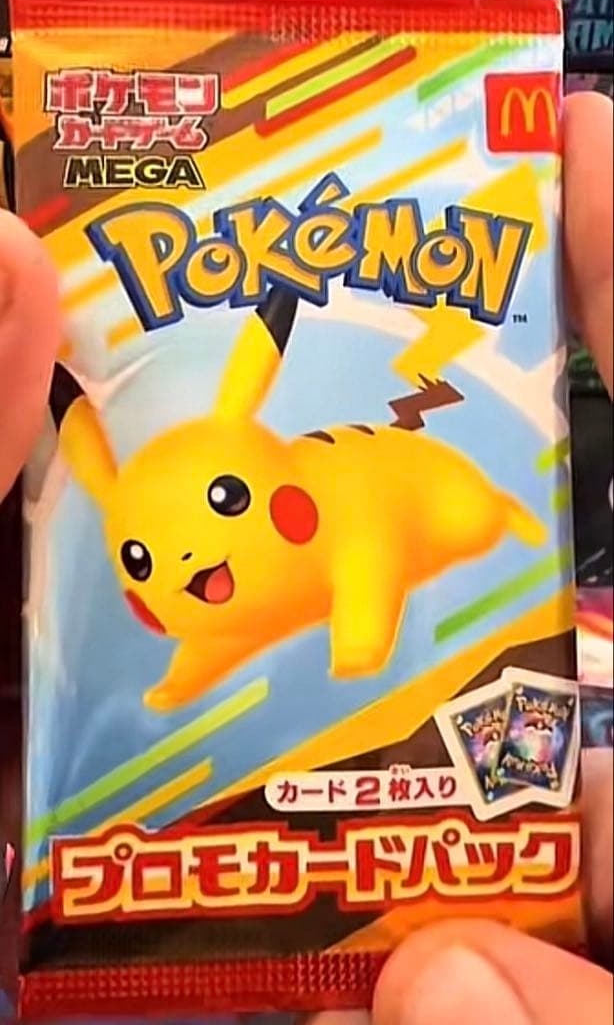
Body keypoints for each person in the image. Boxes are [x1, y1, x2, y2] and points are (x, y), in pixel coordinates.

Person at [0, 92, 612, 1024]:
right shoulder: (193, 570)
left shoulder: (344, 503)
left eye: (225, 504)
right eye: (142, 561)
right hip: (281, 887)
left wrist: (361, 639)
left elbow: (370, 552)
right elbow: (219, 629)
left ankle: (500, 518)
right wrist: (185, 674)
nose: (176, 566)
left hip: (416, 488)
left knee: (473, 512)